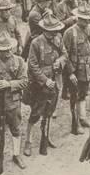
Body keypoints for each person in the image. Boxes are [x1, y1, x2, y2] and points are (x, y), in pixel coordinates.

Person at [0, 31, 28, 170]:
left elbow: (25, 81)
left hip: (13, 102)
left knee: (15, 127)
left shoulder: (19, 61)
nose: (7, 52)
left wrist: (10, 84)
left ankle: (16, 154)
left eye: (9, 49)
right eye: (3, 50)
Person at [25, 12, 66, 156]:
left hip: (54, 80)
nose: (54, 34)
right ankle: (28, 141)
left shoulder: (58, 39)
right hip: (39, 84)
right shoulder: (36, 43)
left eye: (55, 31)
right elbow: (32, 65)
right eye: (51, 31)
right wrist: (44, 80)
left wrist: (59, 61)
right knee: (35, 113)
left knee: (49, 111)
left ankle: (46, 136)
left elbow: (64, 54)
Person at [63, 3, 90, 135]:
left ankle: (82, 118)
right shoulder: (69, 33)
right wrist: (70, 72)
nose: (86, 21)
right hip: (75, 70)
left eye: (88, 18)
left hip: (88, 68)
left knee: (83, 94)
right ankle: (75, 123)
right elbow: (64, 54)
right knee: (74, 96)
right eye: (83, 19)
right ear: (77, 18)